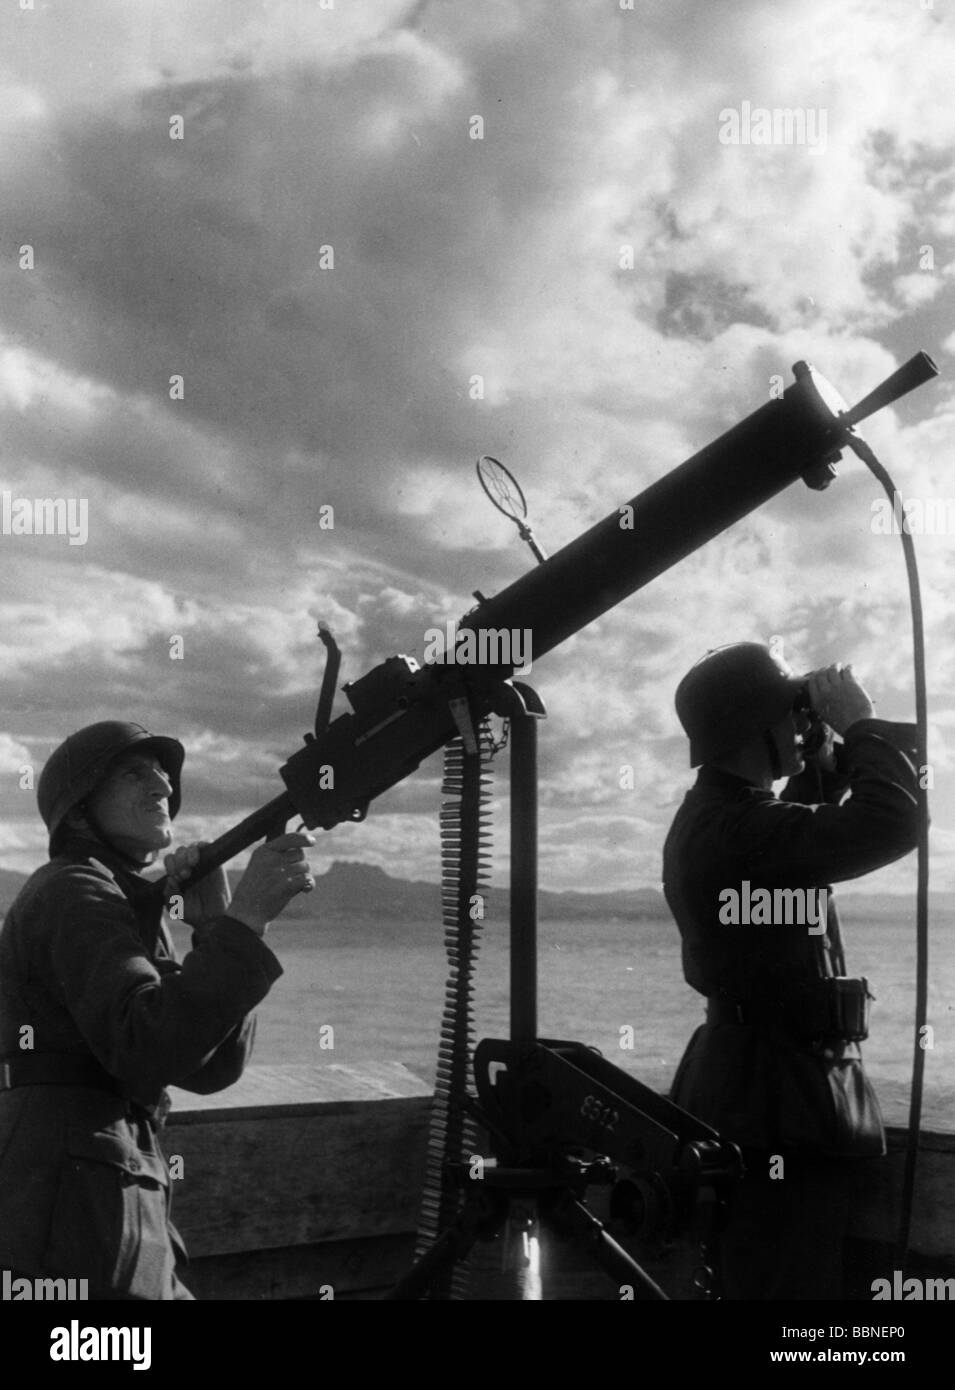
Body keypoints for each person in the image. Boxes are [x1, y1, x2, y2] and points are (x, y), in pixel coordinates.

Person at [0, 720, 315, 1300]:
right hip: (74, 1195)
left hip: (104, 1183)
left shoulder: (119, 903)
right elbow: (145, 1047)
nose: (163, 784)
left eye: (164, 774)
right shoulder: (74, 888)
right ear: (77, 811)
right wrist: (245, 924)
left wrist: (216, 931)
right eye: (133, 772)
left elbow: (210, 1067)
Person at [663, 644, 918, 1300]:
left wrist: (821, 765)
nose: (800, 727)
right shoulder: (737, 832)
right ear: (759, 730)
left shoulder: (717, 820)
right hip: (777, 1106)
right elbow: (889, 823)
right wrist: (860, 728)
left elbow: (793, 841)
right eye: (790, 716)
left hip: (751, 1091)